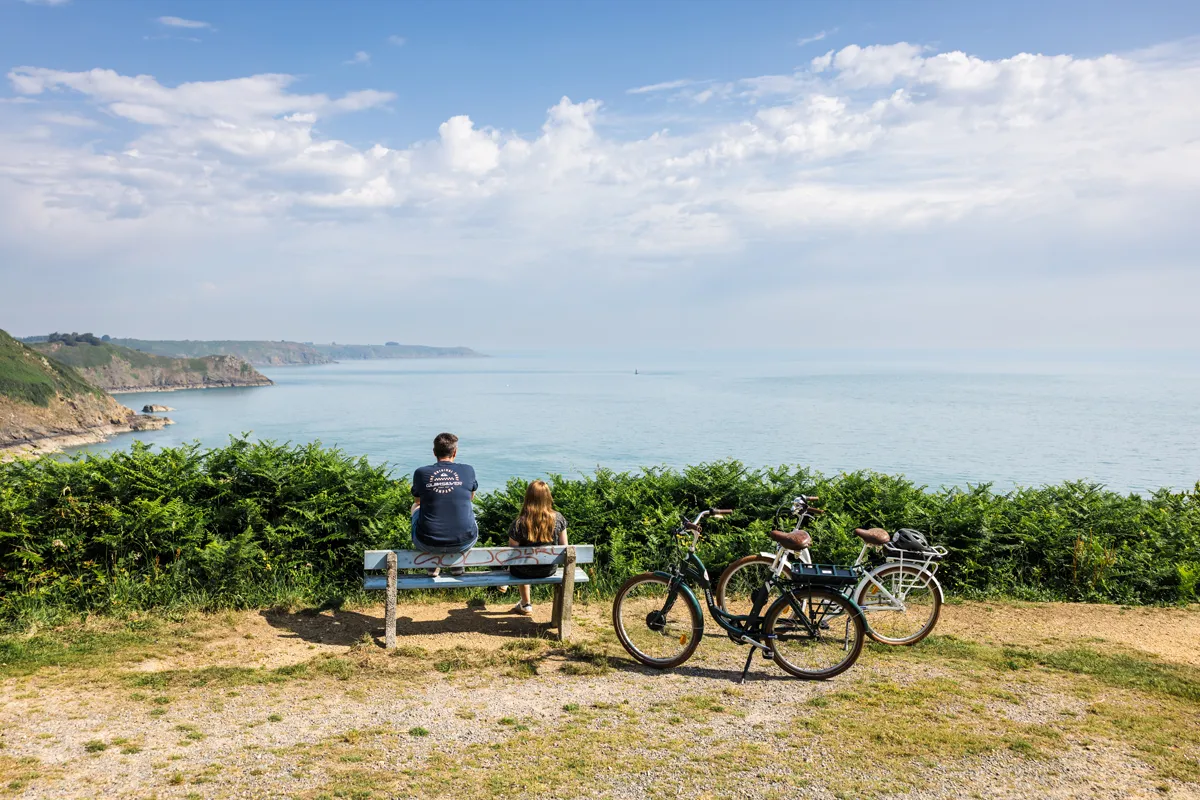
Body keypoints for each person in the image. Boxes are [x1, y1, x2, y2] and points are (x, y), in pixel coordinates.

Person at [411, 432, 478, 576]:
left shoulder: (421, 473)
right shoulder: (468, 470)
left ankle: (433, 564)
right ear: (455, 452)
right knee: (467, 508)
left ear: (434, 452)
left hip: (426, 542)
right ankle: (456, 564)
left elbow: (418, 501)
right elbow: (471, 497)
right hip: (464, 541)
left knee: (416, 507)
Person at [505, 479, 568, 616]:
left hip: (522, 572)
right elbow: (565, 548)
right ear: (548, 497)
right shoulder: (558, 518)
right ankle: (526, 604)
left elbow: (512, 554)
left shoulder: (519, 522)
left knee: (520, 562)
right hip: (549, 569)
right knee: (522, 562)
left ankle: (526, 604)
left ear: (528, 498)